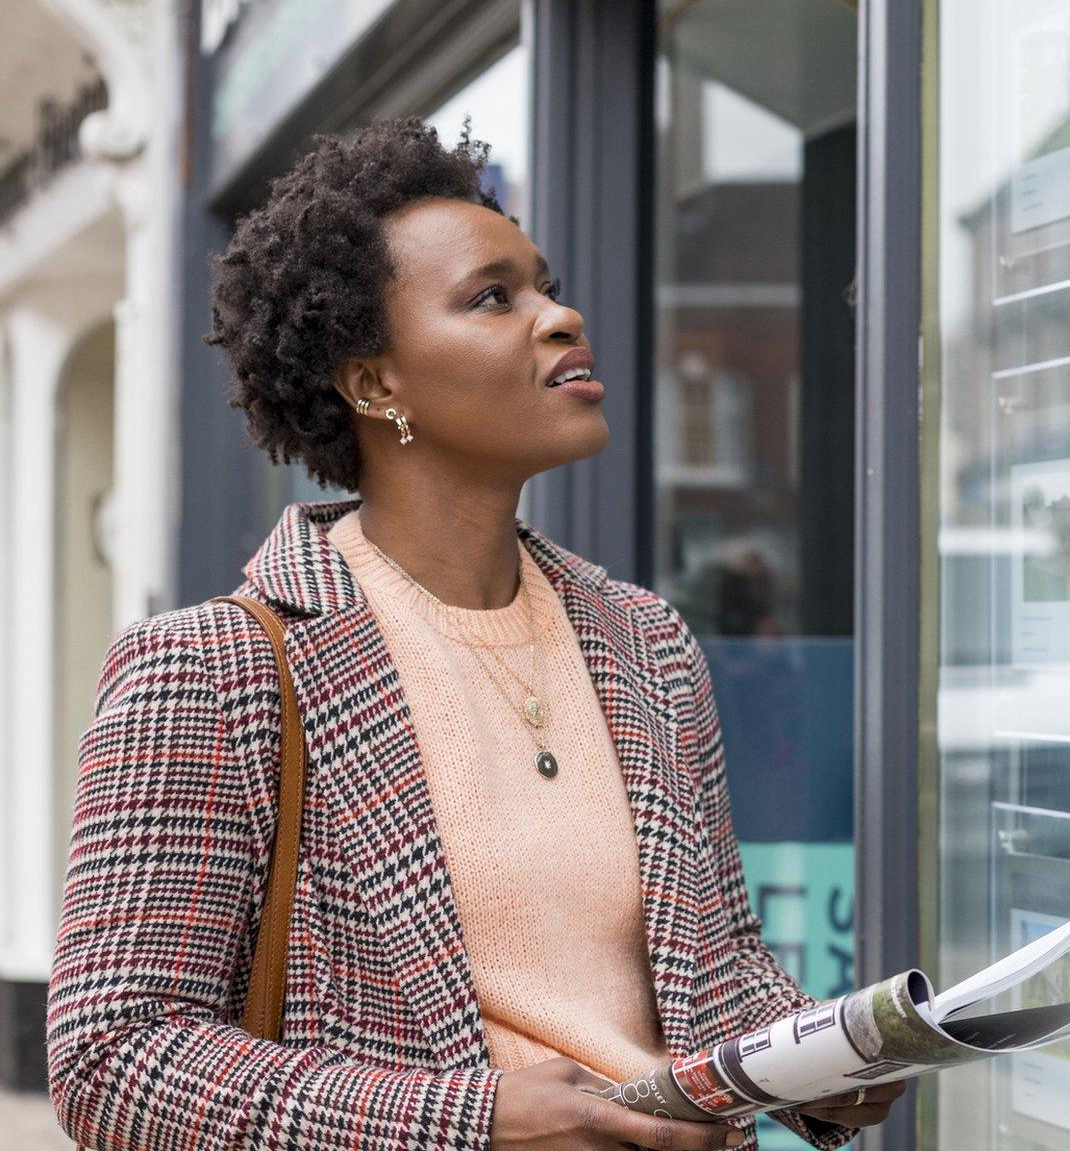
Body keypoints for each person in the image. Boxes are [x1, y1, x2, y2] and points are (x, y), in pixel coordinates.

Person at [42, 118, 903, 1151]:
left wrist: (818, 1057)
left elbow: (709, 963)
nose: (560, 315)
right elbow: (113, 1058)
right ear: (374, 385)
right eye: (493, 298)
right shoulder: (210, 669)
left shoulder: (647, 644)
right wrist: (471, 1122)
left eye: (541, 283)